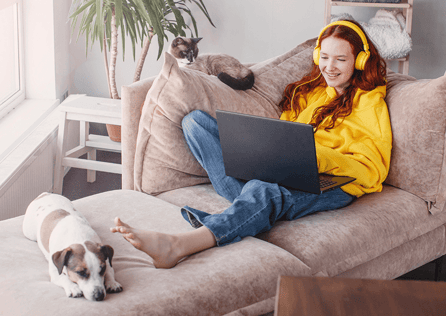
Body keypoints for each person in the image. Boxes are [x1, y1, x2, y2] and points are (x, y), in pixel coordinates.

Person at [111, 20, 392, 269]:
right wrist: (264, 148)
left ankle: (179, 245)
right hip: (291, 169)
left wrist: (317, 158)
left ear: (359, 61)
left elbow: (372, 168)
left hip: (335, 182)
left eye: (340, 60)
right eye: (325, 57)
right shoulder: (312, 92)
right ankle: (253, 206)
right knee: (194, 122)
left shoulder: (370, 102)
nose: (329, 67)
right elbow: (287, 134)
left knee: (263, 190)